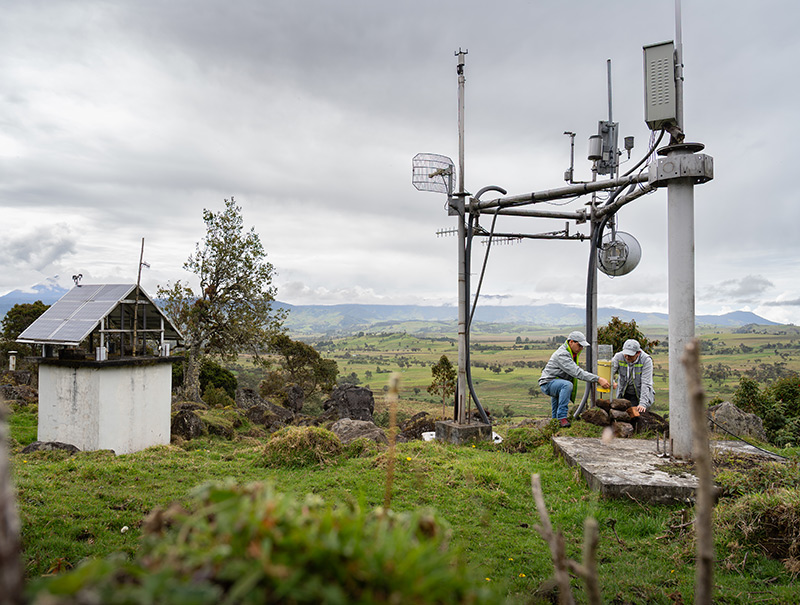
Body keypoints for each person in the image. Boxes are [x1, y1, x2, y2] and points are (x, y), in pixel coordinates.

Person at [539, 331, 610, 427]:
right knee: (566, 385)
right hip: (548, 383)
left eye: (582, 346)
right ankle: (562, 418)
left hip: (556, 381)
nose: (581, 348)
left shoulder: (570, 352)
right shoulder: (562, 354)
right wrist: (598, 379)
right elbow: (577, 373)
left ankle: (555, 424)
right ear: (571, 342)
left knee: (556, 409)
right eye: (579, 345)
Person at [611, 338, 654, 413]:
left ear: (638, 353)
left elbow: (646, 383)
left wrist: (643, 404)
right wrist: (612, 381)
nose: (627, 357)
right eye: (626, 354)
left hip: (640, 394)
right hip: (624, 393)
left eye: (630, 355)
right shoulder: (618, 357)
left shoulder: (646, 360)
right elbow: (609, 372)